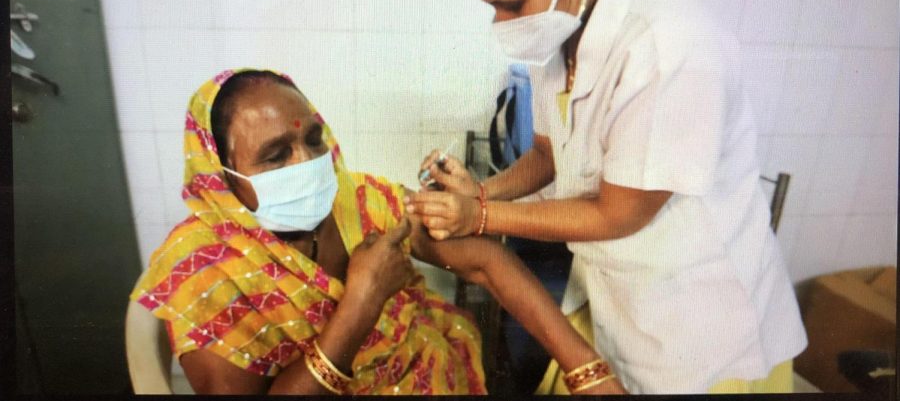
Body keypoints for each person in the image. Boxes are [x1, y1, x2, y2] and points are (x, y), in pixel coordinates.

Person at [406, 0, 808, 395]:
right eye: (492, 8)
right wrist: (478, 196)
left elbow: (620, 213)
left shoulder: (670, 48)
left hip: (698, 317)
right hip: (620, 291)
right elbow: (548, 157)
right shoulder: (562, 36)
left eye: (511, 5)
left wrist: (480, 216)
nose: (502, 26)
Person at [130, 68, 625, 395]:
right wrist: (363, 300)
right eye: (277, 155)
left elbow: (484, 262)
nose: (308, 163)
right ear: (221, 178)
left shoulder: (355, 199)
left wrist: (588, 372)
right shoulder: (201, 271)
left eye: (314, 139)